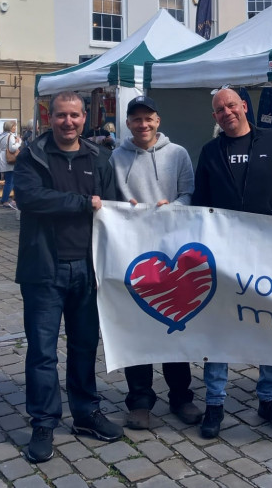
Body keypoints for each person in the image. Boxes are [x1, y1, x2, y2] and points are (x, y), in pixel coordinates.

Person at [192, 87, 272, 439]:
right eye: (219, 109)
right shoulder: (210, 151)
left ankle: (268, 396)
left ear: (243, 106)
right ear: (215, 117)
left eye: (231, 105)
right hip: (224, 254)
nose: (226, 112)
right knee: (219, 326)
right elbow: (200, 203)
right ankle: (214, 402)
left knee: (270, 324)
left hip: (269, 252)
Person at [14, 91, 123, 463]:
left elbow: (112, 209)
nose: (69, 122)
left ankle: (86, 413)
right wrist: (80, 203)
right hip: (44, 269)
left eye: (75, 116)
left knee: (84, 346)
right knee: (42, 352)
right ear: (51, 118)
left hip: (89, 270)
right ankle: (43, 421)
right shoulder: (33, 154)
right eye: (61, 116)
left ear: (83, 118)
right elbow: (29, 198)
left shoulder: (99, 157)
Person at [110, 95, 201, 431]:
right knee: (137, 329)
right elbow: (111, 199)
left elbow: (189, 193)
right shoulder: (117, 157)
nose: (143, 125)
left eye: (148, 118)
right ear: (128, 123)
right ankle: (140, 400)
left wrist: (172, 206)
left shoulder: (178, 154)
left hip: (171, 253)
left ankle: (181, 396)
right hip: (132, 253)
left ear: (158, 121)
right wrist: (124, 207)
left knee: (173, 323)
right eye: (136, 119)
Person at [0, 120, 21, 210]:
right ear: (10, 127)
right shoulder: (10, 136)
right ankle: (5, 200)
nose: (15, 128)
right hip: (9, 160)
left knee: (9, 180)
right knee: (10, 181)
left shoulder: (1, 136)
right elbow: (12, 148)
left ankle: (10, 198)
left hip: (2, 158)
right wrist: (19, 142)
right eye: (14, 126)